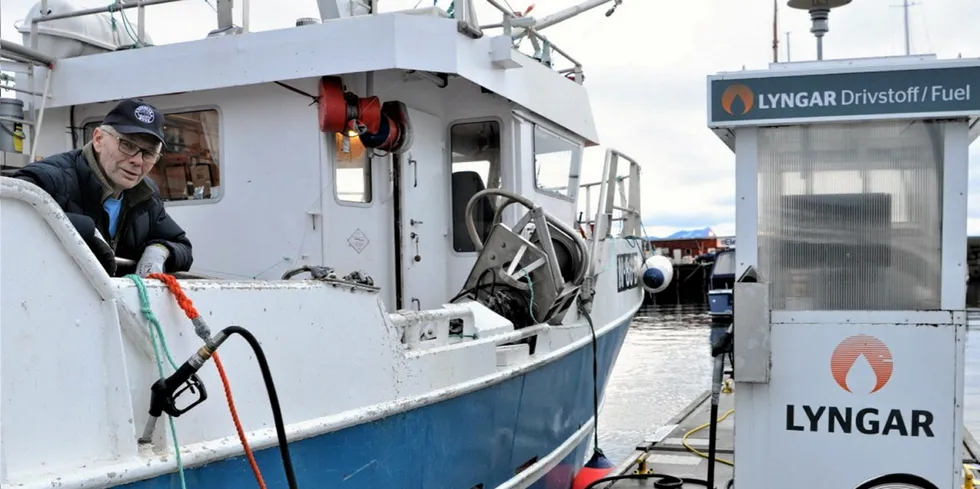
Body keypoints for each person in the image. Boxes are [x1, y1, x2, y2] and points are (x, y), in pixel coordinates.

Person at [13, 98, 193, 277]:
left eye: (148, 153)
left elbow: (182, 246)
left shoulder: (146, 195)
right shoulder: (48, 179)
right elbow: (12, 220)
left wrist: (159, 251)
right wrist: (85, 232)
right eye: (128, 145)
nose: (137, 161)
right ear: (98, 139)